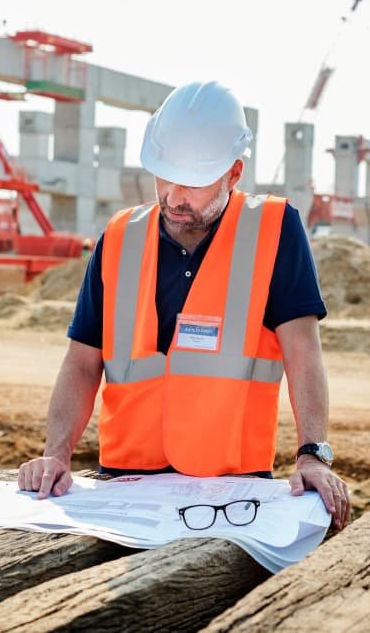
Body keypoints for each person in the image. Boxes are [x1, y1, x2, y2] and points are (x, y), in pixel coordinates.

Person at [18, 81, 350, 529]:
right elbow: (82, 362)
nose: (174, 197)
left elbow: (303, 353)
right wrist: (55, 454)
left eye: (193, 184)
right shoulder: (118, 237)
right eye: (164, 176)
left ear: (234, 172)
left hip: (232, 495)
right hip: (125, 488)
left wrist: (314, 454)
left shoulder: (274, 229)